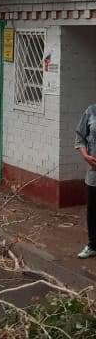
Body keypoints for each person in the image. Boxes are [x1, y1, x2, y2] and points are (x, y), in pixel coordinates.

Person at [75, 105, 96, 257]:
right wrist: (85, 156)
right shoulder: (91, 111)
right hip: (94, 173)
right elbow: (80, 137)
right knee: (93, 210)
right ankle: (93, 245)